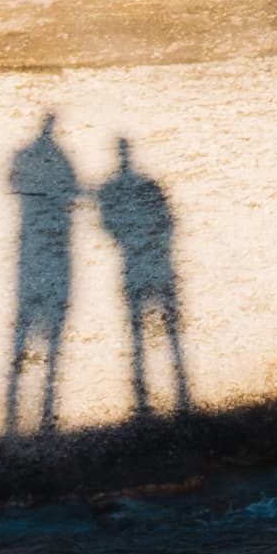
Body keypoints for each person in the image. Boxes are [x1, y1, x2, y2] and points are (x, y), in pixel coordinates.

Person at [99, 135, 189, 416]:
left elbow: (107, 223)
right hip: (159, 258)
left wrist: (125, 241)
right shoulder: (148, 184)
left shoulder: (110, 188)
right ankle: (181, 391)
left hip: (133, 259)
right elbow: (169, 220)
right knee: (164, 325)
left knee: (139, 325)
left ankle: (146, 394)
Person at [4, 113, 81, 436]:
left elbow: (11, 180)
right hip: (53, 237)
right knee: (50, 312)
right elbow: (74, 187)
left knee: (28, 311)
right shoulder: (53, 155)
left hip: (33, 241)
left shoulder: (24, 153)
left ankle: (16, 401)